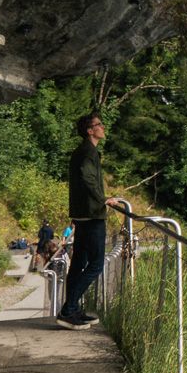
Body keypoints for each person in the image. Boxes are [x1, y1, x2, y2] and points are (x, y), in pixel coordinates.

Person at [56, 112, 122, 329]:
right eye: (98, 125)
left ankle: (72, 310)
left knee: (78, 264)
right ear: (89, 130)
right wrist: (104, 199)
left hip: (82, 214)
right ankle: (69, 308)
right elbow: (86, 176)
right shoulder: (88, 152)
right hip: (92, 215)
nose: (103, 127)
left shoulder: (83, 151)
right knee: (95, 264)